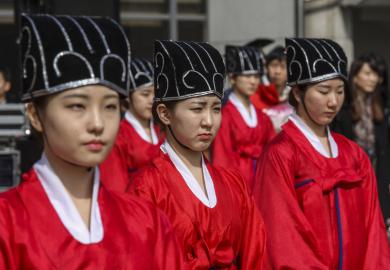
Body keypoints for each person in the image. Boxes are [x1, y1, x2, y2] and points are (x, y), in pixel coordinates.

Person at [0, 14, 184, 269]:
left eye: (110, 106)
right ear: (34, 114)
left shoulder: (148, 221)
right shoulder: (7, 223)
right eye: (77, 105)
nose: (97, 123)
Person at [128, 40, 266, 269]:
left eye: (216, 108)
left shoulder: (234, 183)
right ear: (164, 113)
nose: (209, 121)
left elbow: (255, 254)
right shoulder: (146, 188)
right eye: (197, 108)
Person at [253, 38, 390, 269]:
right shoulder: (281, 154)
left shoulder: (353, 154)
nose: (333, 101)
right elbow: (282, 237)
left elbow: (373, 231)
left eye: (339, 91)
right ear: (297, 92)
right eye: (324, 91)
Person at [331, 52, 390, 235]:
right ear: (354, 76)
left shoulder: (380, 107)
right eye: (368, 73)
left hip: (377, 174)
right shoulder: (343, 110)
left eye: (376, 74)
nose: (374, 79)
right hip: (352, 175)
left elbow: (385, 148)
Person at [212, 45, 275, 191]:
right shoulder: (225, 115)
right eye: (247, 76)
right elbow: (222, 157)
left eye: (256, 76)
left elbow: (272, 151)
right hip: (237, 182)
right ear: (233, 78)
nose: (253, 81)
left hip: (262, 181)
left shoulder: (263, 117)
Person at [100, 58, 163, 192]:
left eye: (156, 94)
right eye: (145, 94)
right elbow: (115, 186)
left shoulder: (162, 131)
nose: (152, 100)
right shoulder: (119, 135)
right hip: (134, 206)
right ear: (128, 96)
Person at [256, 46, 294, 132]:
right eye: (274, 65)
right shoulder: (256, 96)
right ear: (266, 68)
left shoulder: (295, 98)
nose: (277, 71)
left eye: (283, 66)